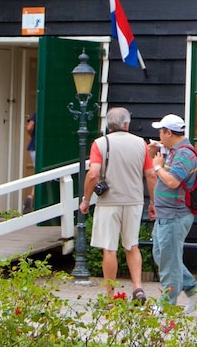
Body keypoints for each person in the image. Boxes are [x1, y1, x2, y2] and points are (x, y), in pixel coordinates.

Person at [79, 107, 157, 302]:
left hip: (108, 202)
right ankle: (138, 287)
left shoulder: (100, 144)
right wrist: (153, 202)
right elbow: (150, 174)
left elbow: (93, 174)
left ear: (108, 124)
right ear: (127, 124)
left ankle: (110, 295)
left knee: (109, 248)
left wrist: (86, 200)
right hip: (134, 200)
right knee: (132, 245)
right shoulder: (141, 144)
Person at [148, 113, 197, 312]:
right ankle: (193, 289)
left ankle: (166, 306)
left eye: (161, 131)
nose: (159, 135)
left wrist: (157, 167)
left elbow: (173, 181)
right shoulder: (173, 152)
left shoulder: (184, 154)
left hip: (175, 215)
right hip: (165, 214)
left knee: (170, 263)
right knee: (162, 255)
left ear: (168, 132)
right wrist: (155, 156)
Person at [23, 113, 36, 213]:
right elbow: (29, 127)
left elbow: (29, 127)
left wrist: (31, 136)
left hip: (33, 148)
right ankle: (31, 197)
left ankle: (31, 196)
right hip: (40, 147)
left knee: (37, 173)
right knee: (41, 175)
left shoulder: (36, 114)